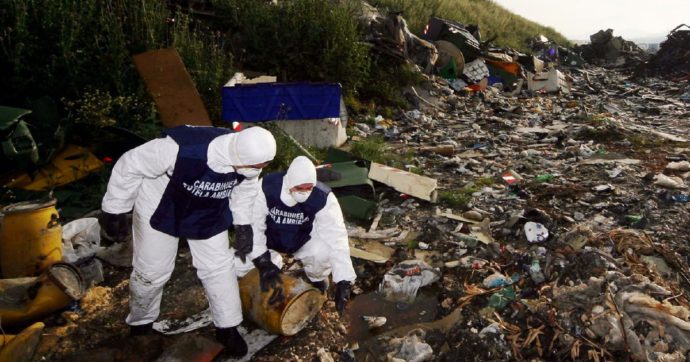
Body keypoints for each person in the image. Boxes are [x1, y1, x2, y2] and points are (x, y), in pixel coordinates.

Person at [99, 125, 276, 357]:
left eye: (264, 166)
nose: (261, 169)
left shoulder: (250, 162)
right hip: (163, 202)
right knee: (152, 270)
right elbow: (130, 164)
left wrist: (243, 224)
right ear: (239, 158)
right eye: (258, 166)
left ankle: (227, 328)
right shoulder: (179, 149)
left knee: (219, 266)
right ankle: (141, 325)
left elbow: (245, 190)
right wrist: (114, 208)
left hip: (208, 208)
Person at [236, 156, 356, 313]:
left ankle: (317, 279)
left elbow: (336, 236)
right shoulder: (268, 187)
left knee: (321, 253)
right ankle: (273, 261)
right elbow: (254, 225)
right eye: (300, 188)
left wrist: (344, 280)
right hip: (270, 239)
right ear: (289, 182)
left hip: (301, 239)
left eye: (309, 188)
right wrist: (263, 261)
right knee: (238, 266)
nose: (304, 193)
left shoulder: (322, 197)